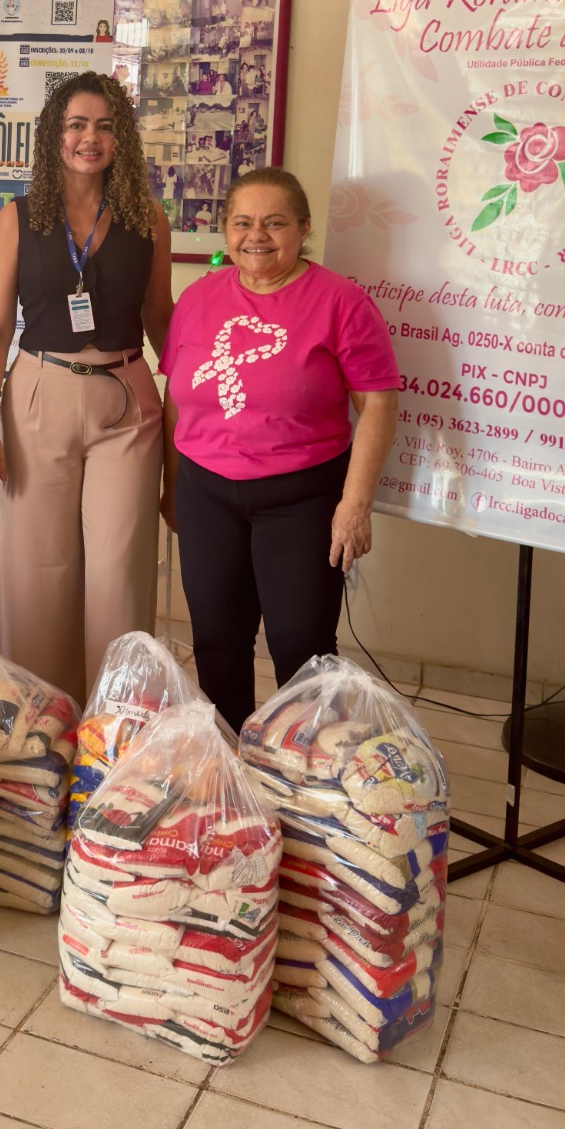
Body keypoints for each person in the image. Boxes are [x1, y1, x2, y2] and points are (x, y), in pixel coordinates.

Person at [159, 167, 399, 731]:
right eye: (242, 223)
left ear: (304, 228)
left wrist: (355, 505)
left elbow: (379, 404)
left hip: (302, 498)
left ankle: (302, 765)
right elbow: (176, 399)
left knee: (301, 648)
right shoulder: (197, 298)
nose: (256, 236)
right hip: (205, 493)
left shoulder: (341, 302)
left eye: (274, 222)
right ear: (226, 230)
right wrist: (172, 488)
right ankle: (231, 765)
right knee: (216, 640)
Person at [0, 71, 174, 703]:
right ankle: (42, 725)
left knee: (119, 574)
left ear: (122, 138)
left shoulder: (148, 218)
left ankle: (112, 725)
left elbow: (161, 319)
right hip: (39, 393)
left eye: (105, 126)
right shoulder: (19, 218)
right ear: (54, 135)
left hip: (126, 401)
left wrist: (199, 405)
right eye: (77, 125)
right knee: (39, 575)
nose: (91, 138)